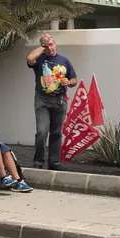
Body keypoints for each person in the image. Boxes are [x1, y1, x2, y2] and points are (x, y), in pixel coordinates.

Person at [26, 33, 77, 171]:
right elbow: (30, 58)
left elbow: (74, 79)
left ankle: (54, 161)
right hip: (43, 99)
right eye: (47, 45)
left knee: (56, 132)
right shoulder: (40, 59)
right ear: (42, 46)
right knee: (42, 131)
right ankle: (38, 161)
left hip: (59, 99)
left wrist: (68, 82)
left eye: (52, 44)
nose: (51, 47)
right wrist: (44, 47)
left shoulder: (64, 60)